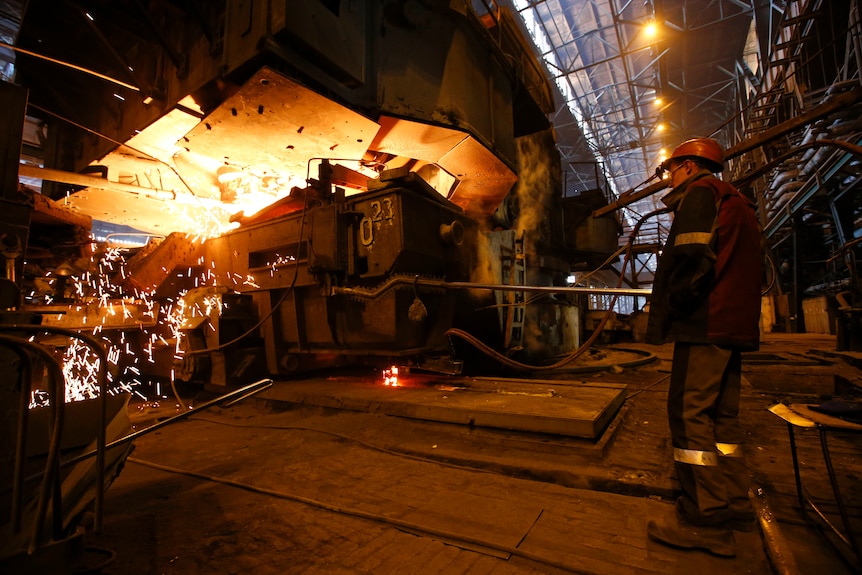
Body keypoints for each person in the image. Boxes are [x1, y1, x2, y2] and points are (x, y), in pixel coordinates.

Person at [644, 137, 762, 558]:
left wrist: (678, 308)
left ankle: (705, 520)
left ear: (690, 166)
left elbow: (693, 258)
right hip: (733, 325)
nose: (669, 177)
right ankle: (734, 504)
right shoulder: (738, 201)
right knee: (721, 419)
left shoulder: (700, 194)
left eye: (671, 169)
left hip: (706, 323)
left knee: (689, 416)